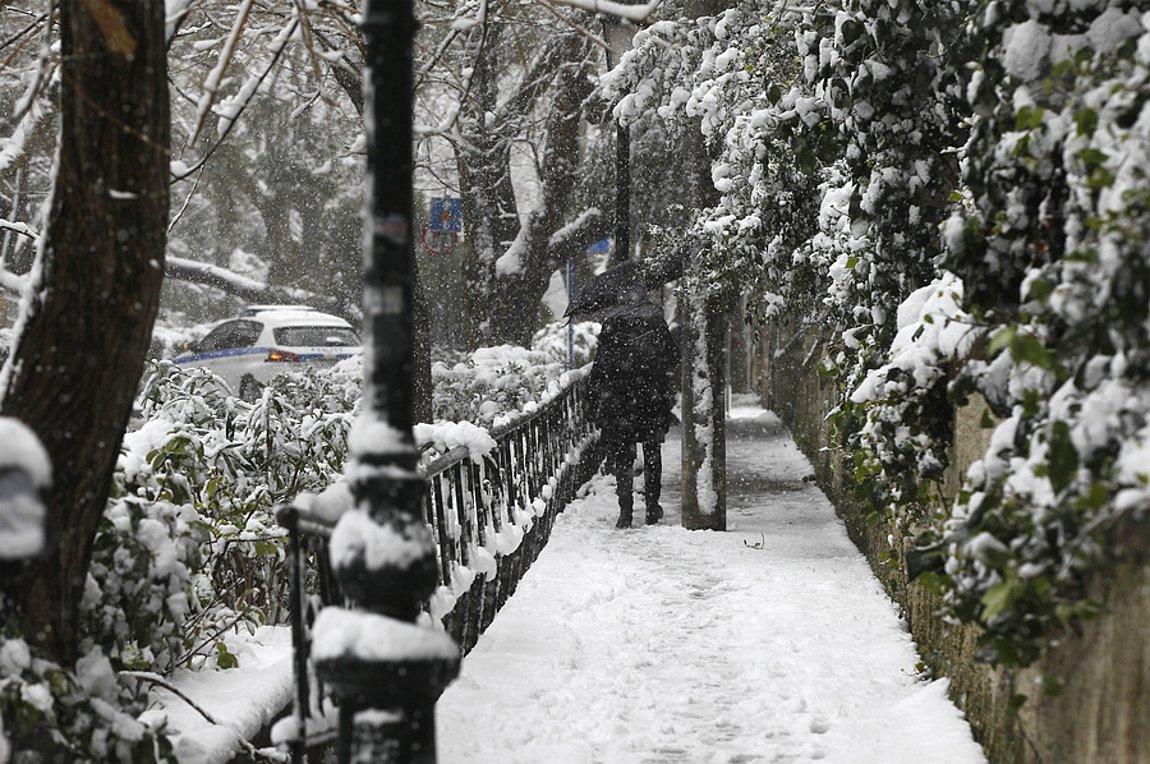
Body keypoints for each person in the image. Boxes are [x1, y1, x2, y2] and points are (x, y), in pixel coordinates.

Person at [585, 282, 679, 528]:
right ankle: (651, 507)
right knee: (652, 453)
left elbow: (601, 367)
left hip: (620, 402)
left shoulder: (612, 324)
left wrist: (593, 399)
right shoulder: (655, 321)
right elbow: (673, 357)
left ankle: (625, 512)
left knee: (623, 457)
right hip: (651, 399)